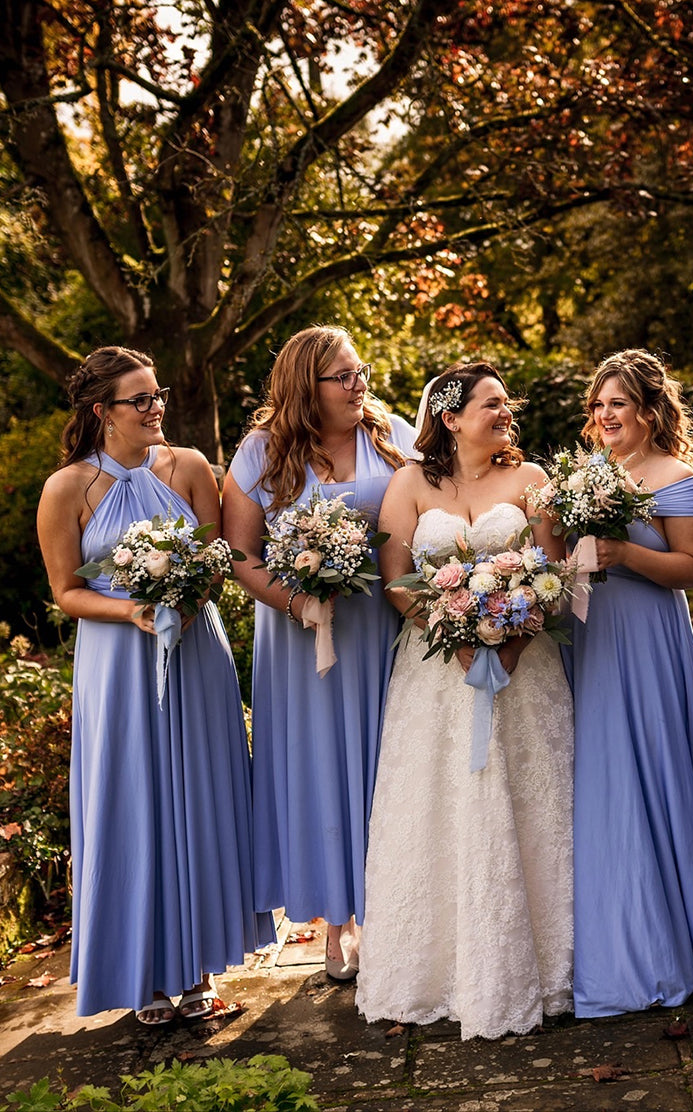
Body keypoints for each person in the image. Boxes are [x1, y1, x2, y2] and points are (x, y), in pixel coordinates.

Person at [36, 346, 273, 1023]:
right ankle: (144, 974)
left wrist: (187, 593)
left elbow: (216, 557)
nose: (156, 407)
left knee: (201, 798)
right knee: (132, 802)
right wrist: (135, 608)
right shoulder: (66, 489)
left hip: (196, 654)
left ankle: (197, 967)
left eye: (157, 394)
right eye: (139, 400)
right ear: (101, 412)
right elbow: (66, 593)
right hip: (118, 662)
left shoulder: (191, 466)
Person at [354, 362, 574, 1040]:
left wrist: (514, 638)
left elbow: (554, 570)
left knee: (532, 806)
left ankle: (546, 967)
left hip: (526, 670)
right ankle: (434, 971)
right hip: (436, 678)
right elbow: (396, 581)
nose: (505, 414)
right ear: (450, 418)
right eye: (491, 404)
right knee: (439, 807)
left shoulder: (532, 479)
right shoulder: (409, 483)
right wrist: (454, 637)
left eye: (508, 403)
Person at [223, 326, 415, 981]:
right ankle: (339, 922)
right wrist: (297, 601)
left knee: (386, 758)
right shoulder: (260, 451)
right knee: (320, 769)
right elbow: (240, 553)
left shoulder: (389, 435)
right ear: (308, 386)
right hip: (298, 638)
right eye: (343, 376)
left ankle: (395, 908)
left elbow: (435, 500)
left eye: (361, 371)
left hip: (376, 626)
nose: (359, 385)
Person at [567, 350, 693, 1016]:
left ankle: (673, 945)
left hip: (647, 640)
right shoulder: (589, 476)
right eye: (599, 405)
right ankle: (609, 941)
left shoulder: (677, 478)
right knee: (601, 782)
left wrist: (622, 552)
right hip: (591, 635)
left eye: (617, 403)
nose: (605, 416)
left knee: (653, 774)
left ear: (647, 409)